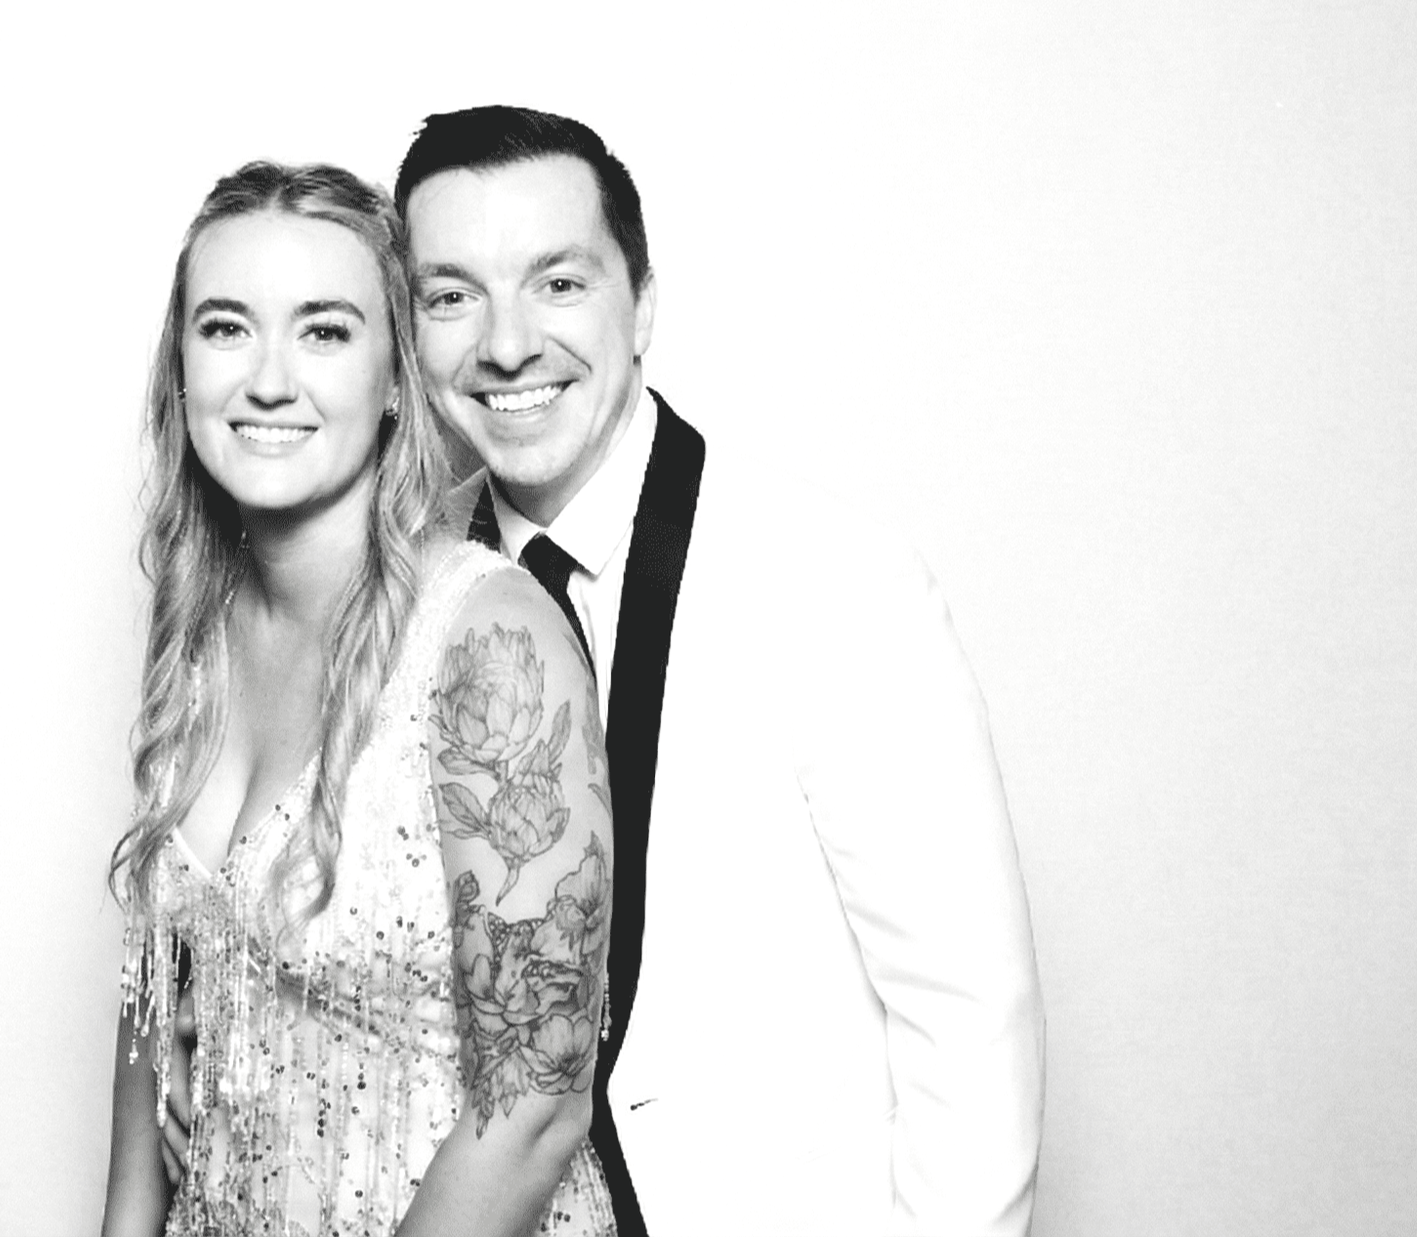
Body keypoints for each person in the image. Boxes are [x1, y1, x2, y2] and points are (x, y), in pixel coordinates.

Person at [394, 106, 1048, 1234]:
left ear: (642, 305)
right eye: (452, 295)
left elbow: (969, 1028)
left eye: (558, 283)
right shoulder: (402, 596)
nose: (506, 344)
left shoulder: (833, 578)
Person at [101, 161, 619, 1236]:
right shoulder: (194, 626)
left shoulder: (489, 638)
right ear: (180, 367)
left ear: (394, 377)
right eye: (227, 328)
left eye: (325, 331)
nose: (270, 380)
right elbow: (155, 995)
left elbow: (534, 1110)